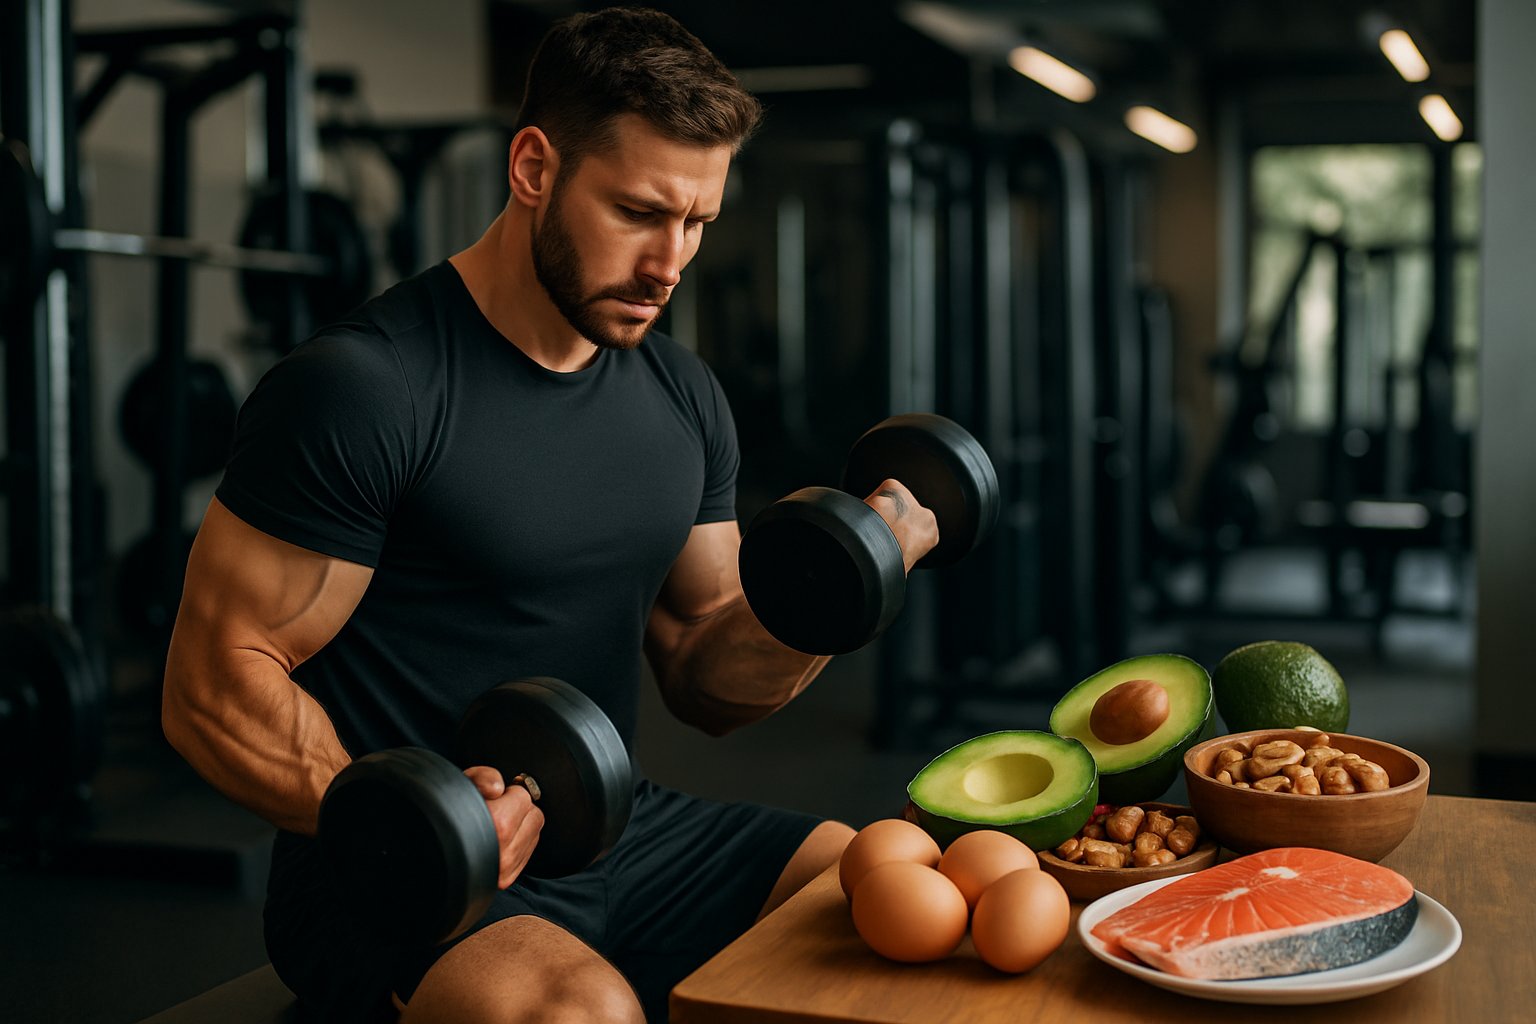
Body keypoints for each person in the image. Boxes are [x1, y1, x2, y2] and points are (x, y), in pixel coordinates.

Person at [161, 7, 938, 1023]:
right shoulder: (369, 388)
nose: (671, 262)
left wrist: (841, 589)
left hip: (618, 828)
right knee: (580, 1012)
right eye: (638, 212)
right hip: (399, 869)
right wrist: (429, 819)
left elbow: (706, 665)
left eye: (697, 222)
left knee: (886, 887)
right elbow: (213, 684)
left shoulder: (681, 396)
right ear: (535, 167)